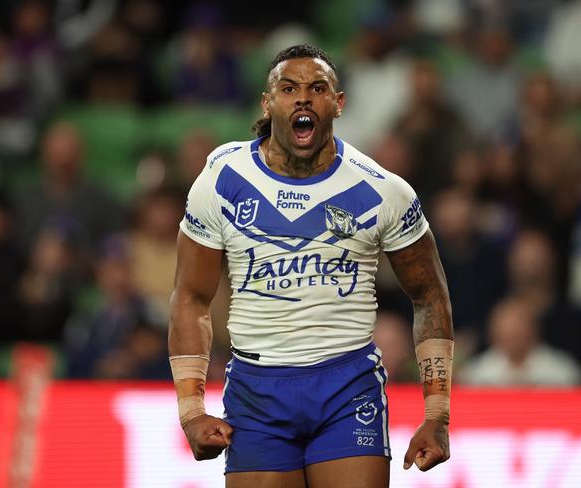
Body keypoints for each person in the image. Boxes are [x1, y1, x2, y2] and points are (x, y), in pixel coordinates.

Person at [168, 44, 454, 488]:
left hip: (347, 385)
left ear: (338, 103)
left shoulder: (382, 191)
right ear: (268, 102)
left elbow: (429, 294)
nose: (302, 98)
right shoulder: (223, 180)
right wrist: (190, 411)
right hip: (257, 391)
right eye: (288, 88)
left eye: (317, 88)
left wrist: (437, 415)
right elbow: (191, 296)